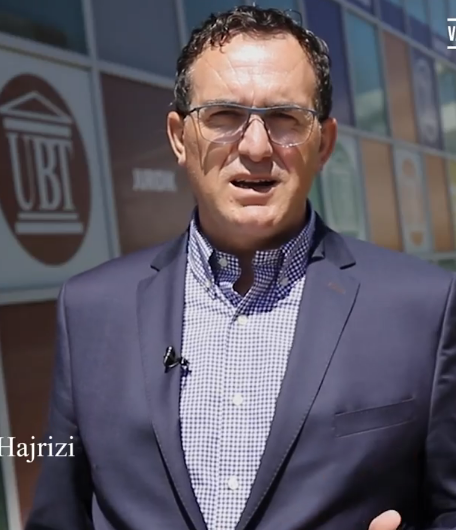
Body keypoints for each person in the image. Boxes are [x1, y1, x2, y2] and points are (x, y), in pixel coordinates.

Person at [25, 6, 456, 530]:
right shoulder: (90, 309)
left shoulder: (425, 308)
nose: (255, 147)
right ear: (179, 137)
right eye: (224, 116)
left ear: (324, 143)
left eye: (285, 118)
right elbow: (60, 516)